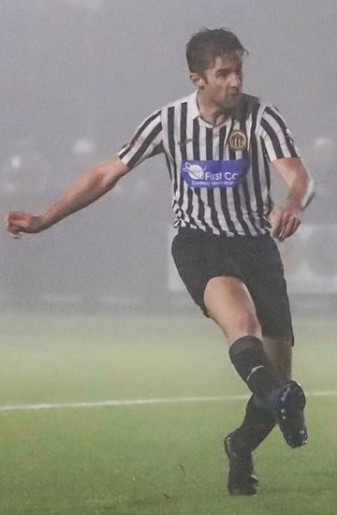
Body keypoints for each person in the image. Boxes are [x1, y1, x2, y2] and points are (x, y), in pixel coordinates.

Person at [4, 28, 314, 496]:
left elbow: (297, 173)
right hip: (200, 244)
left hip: (256, 246)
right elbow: (105, 173)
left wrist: (292, 200)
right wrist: (46, 218)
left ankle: (241, 443)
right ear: (198, 79)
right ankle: (277, 398)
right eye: (222, 73)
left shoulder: (260, 116)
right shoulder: (168, 122)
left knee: (279, 375)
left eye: (238, 71)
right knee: (243, 326)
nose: (234, 82)